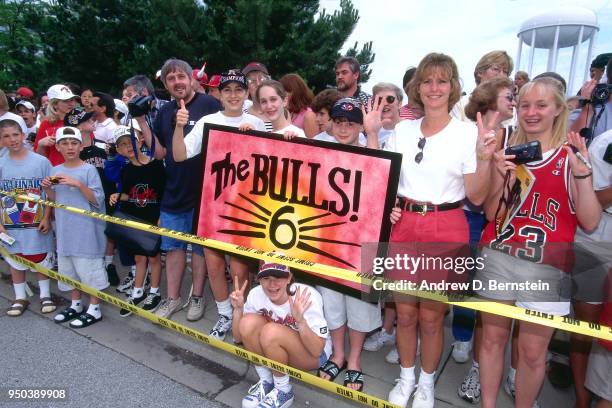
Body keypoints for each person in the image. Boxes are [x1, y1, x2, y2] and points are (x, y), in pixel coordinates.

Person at [365, 52, 495, 408]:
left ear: (453, 87)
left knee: (432, 317)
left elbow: (478, 196)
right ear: (417, 88)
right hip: (403, 224)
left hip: (447, 225)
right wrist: (373, 134)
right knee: (405, 313)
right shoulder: (402, 130)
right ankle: (406, 377)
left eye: (442, 80)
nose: (434, 87)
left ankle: (426, 383)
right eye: (427, 80)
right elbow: (382, 177)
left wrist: (484, 157)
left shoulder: (469, 132)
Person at [477, 76, 601, 408]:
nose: (531, 113)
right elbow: (491, 215)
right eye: (525, 105)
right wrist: (499, 174)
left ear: (559, 109)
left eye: (541, 105)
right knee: (492, 339)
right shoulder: (509, 154)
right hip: (499, 256)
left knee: (532, 353)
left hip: (548, 267)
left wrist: (583, 174)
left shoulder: (571, 155)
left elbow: (590, 221)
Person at [173, 69, 265, 339]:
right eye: (228, 90)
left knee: (238, 267)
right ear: (219, 94)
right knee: (213, 264)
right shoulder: (207, 121)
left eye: (239, 89)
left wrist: (253, 139)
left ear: (246, 93)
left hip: (245, 207)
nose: (233, 95)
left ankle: (241, 315)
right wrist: (179, 126)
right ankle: (225, 314)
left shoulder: (257, 123)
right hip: (212, 203)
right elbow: (179, 155)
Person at [453, 76, 516, 404]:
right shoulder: (469, 134)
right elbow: (478, 195)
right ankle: (474, 360)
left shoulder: (520, 135)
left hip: (515, 232)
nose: (515, 100)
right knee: (474, 291)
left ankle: (508, 371)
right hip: (477, 220)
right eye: (509, 94)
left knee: (501, 311)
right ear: (490, 99)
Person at [311, 97, 381, 392]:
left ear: (359, 126)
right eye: (339, 122)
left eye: (350, 124)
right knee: (332, 302)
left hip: (364, 241)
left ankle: (354, 360)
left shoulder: (373, 150)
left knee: (359, 305)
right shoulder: (320, 151)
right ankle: (338, 355)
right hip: (329, 239)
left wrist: (374, 134)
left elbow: (381, 177)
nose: (343, 129)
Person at [144, 58, 221, 321]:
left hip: (205, 192)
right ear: (165, 84)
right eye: (171, 78)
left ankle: (197, 297)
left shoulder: (210, 105)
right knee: (174, 248)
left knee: (200, 250)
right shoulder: (164, 112)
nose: (177, 82)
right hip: (174, 190)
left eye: (181, 77)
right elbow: (160, 153)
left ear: (191, 79)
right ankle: (173, 298)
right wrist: (142, 121)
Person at [231, 261, 331, 408]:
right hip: (276, 351)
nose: (272, 284)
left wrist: (301, 321)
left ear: (289, 277)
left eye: (278, 277)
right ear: (259, 279)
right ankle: (266, 382)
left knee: (270, 332)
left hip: (312, 354)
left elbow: (317, 350)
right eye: (266, 278)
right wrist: (238, 309)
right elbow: (238, 338)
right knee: (247, 323)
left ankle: (283, 390)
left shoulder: (306, 295)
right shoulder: (255, 294)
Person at [41, 126, 109, 328]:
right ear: (58, 147)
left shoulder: (89, 169)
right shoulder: (54, 170)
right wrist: (47, 189)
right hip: (65, 229)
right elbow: (55, 200)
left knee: (89, 270)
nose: (69, 147)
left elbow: (97, 200)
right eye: (64, 143)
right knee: (70, 269)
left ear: (80, 146)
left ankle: (94, 308)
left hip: (87, 231)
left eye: (74, 143)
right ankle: (76, 303)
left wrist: (78, 184)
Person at [570, 127, 612, 408]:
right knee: (587, 325)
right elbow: (591, 204)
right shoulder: (604, 143)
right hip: (596, 236)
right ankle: (582, 398)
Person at [0, 119, 55, 316]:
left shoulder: (41, 162)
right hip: (11, 222)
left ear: (23, 135)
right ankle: (20, 297)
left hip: (36, 221)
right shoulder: (1, 164)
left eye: (15, 135)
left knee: (40, 257)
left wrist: (47, 217)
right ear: (1, 140)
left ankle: (45, 295)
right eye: (6, 136)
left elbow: (49, 194)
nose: (12, 139)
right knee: (16, 258)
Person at [109, 125, 165, 316]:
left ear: (140, 140)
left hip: (153, 218)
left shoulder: (156, 164)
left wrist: (160, 217)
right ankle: (138, 291)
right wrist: (118, 196)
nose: (128, 146)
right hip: (135, 219)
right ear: (118, 150)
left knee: (154, 257)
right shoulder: (126, 171)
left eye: (130, 140)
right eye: (122, 144)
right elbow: (130, 195)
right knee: (139, 257)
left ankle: (155, 292)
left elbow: (164, 194)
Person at [33, 84, 79, 166]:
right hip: (54, 172)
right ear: (54, 104)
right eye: (65, 100)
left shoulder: (81, 120)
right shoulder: (46, 124)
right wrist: (41, 144)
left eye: (72, 100)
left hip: (79, 171)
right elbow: (39, 157)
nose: (71, 103)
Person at [279, 74, 317, 138]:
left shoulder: (308, 115)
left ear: (296, 92)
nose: (281, 96)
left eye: (285, 92)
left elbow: (313, 144)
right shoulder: (287, 113)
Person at [242, 62, 273, 130]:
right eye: (252, 81)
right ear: (246, 87)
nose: (258, 84)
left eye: (262, 79)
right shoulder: (241, 115)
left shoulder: (279, 111)